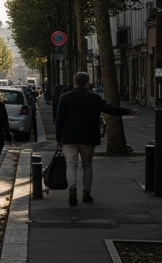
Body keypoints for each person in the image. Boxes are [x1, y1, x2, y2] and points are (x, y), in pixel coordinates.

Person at [55, 71, 139, 206]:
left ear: (74, 82)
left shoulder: (64, 98)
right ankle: (86, 193)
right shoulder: (94, 97)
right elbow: (109, 109)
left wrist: (58, 139)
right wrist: (127, 111)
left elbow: (59, 120)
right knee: (87, 164)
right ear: (87, 83)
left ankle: (72, 188)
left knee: (71, 164)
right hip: (88, 137)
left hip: (69, 137)